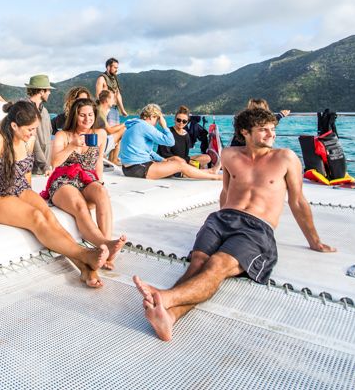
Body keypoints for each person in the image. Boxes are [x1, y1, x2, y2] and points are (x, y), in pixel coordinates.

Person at [133, 107, 335, 341]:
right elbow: (226, 193)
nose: (271, 135)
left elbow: (297, 201)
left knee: (217, 264)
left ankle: (166, 297)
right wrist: (220, 232)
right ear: (245, 132)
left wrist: (315, 241)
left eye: (272, 129)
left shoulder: (285, 158)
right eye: (263, 130)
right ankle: (170, 317)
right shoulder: (229, 154)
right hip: (221, 219)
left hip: (256, 227)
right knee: (198, 261)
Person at [0, 101, 110, 288]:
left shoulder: (28, 138)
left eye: (35, 128)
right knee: (36, 217)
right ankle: (85, 255)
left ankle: (85, 268)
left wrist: (31, 197)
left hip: (20, 188)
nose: (33, 133)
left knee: (48, 215)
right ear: (14, 126)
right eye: (30, 129)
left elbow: (26, 172)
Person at [45, 97, 127, 269]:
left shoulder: (100, 134)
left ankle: (107, 253)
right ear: (75, 116)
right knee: (81, 206)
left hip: (87, 179)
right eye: (82, 115)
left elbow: (98, 164)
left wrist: (99, 184)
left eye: (90, 114)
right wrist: (72, 146)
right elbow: (55, 163)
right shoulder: (63, 135)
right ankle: (105, 244)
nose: (87, 119)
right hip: (63, 180)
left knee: (102, 193)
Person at [118, 104, 221, 180]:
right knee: (179, 165)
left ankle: (209, 171)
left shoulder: (134, 125)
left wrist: (162, 160)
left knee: (178, 164)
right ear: (152, 117)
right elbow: (170, 141)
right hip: (138, 168)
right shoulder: (145, 126)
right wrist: (164, 125)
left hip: (129, 168)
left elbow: (147, 151)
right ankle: (213, 176)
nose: (157, 122)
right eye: (157, 119)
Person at [23, 74, 55, 176]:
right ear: (41, 91)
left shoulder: (44, 111)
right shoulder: (25, 109)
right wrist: (44, 165)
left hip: (44, 170)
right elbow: (32, 139)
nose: (50, 93)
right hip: (29, 169)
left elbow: (49, 136)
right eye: (48, 90)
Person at [95, 90, 125, 164]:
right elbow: (110, 130)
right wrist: (125, 123)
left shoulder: (99, 110)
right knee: (123, 129)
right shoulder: (100, 112)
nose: (115, 101)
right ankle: (113, 160)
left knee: (118, 130)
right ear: (107, 99)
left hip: (98, 144)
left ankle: (112, 159)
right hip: (98, 147)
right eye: (113, 98)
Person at [95, 58, 128, 122]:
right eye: (115, 68)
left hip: (115, 109)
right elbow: (98, 96)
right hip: (107, 109)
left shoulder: (114, 80)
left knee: (116, 131)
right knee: (109, 131)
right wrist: (103, 111)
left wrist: (122, 110)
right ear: (108, 67)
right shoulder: (101, 78)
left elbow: (118, 94)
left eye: (117, 68)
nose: (116, 70)